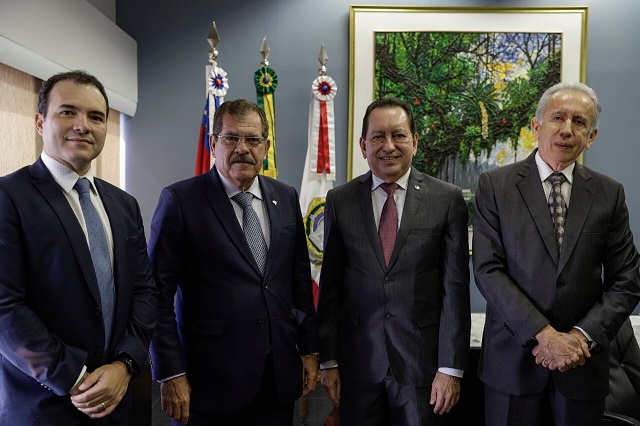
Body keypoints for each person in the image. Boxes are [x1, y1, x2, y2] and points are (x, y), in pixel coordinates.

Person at [472, 81, 640, 426]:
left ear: (591, 136)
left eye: (579, 122)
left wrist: (579, 338)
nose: (566, 130)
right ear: (536, 126)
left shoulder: (609, 194)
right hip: (513, 364)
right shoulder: (495, 186)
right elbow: (488, 270)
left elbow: (627, 279)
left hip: (583, 365)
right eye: (557, 118)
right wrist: (544, 335)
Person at [149, 99, 320, 425]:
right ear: (213, 144)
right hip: (208, 383)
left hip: (277, 378)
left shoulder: (285, 197)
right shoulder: (181, 201)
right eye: (231, 138)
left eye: (253, 140)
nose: (243, 148)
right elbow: (156, 296)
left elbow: (298, 279)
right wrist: (170, 372)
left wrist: (310, 350)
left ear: (266, 147)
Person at [0, 70, 157, 424]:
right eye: (68, 112)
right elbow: (5, 307)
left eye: (96, 116)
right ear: (40, 122)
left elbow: (145, 292)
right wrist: (74, 377)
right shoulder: (8, 197)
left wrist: (124, 365)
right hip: (44, 405)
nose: (83, 125)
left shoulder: (124, 204)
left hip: (118, 401)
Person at [317, 97, 471, 425]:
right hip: (358, 367)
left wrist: (450, 368)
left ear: (414, 141)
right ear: (363, 145)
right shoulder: (340, 200)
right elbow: (330, 287)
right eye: (378, 137)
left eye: (399, 135)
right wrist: (328, 361)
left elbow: (454, 290)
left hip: (424, 369)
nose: (389, 146)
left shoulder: (447, 199)